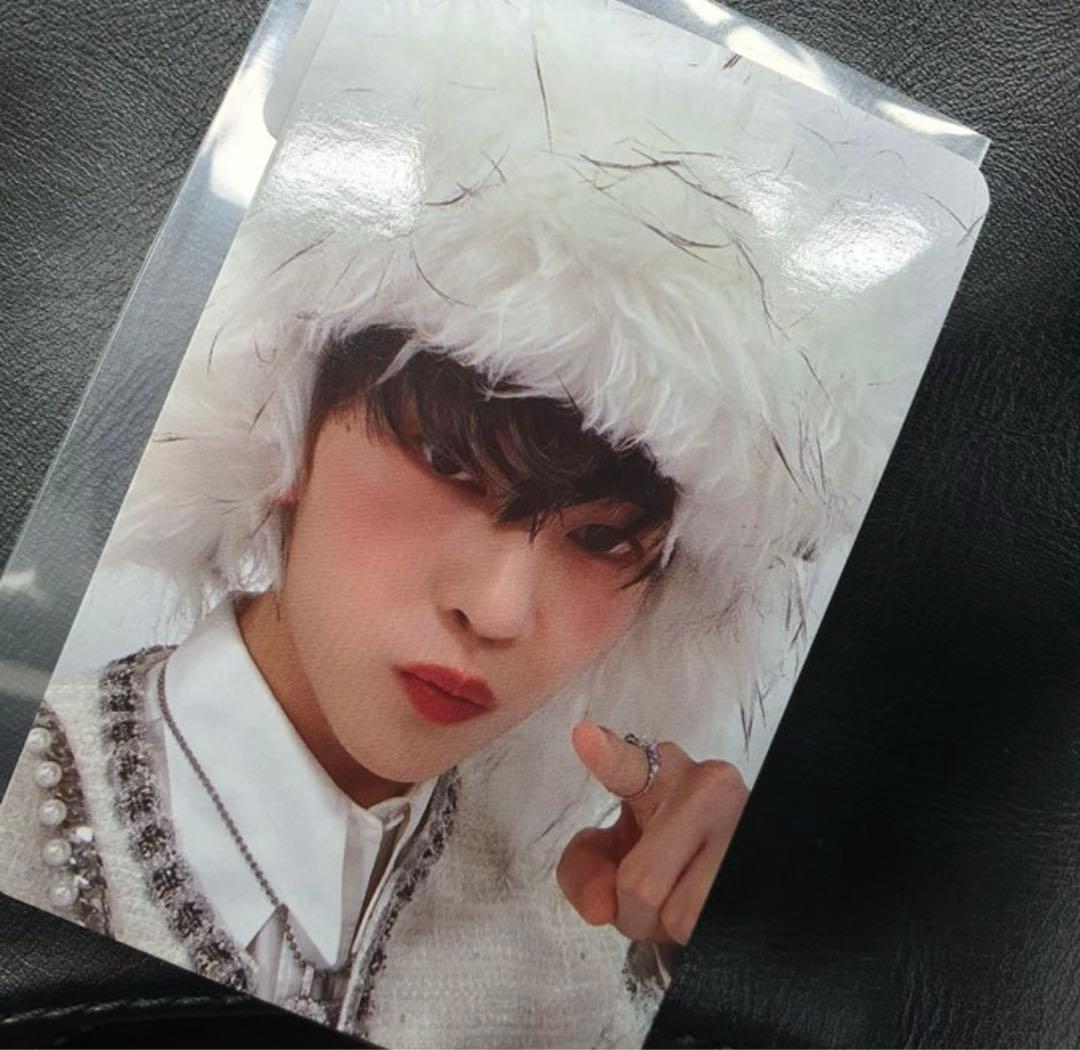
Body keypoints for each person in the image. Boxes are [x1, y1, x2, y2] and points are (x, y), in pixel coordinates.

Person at [0, 0, 903, 1045]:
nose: (498, 610)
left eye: (602, 538)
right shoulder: (25, 804)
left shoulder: (575, 942)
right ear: (285, 429)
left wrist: (720, 983)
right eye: (446, 464)